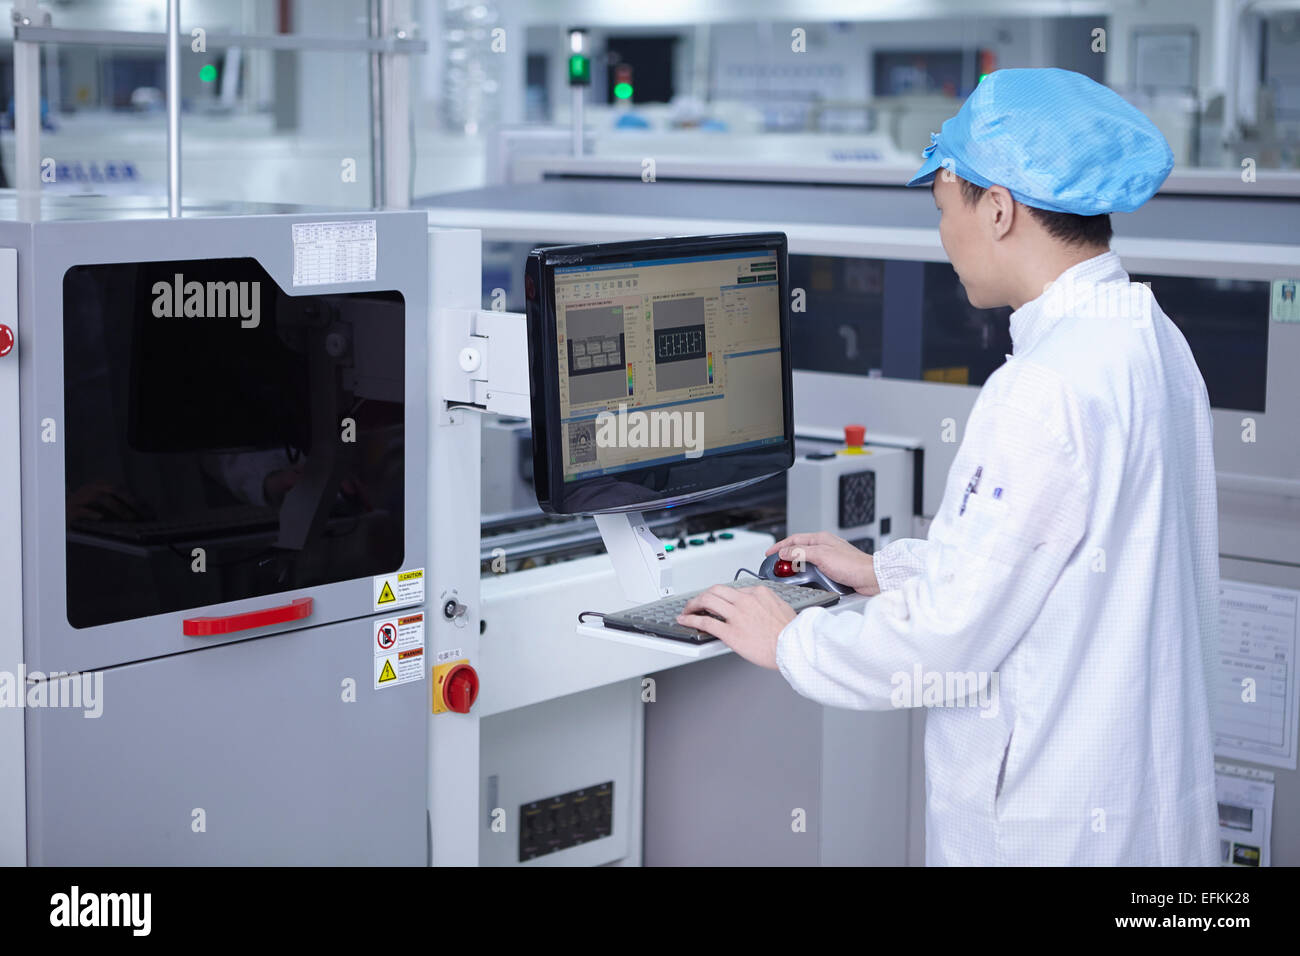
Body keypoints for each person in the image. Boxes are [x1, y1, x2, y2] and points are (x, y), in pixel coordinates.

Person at [677, 68, 1220, 866]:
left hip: (1051, 831)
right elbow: (1047, 567)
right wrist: (884, 570)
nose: (944, 237)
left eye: (944, 208)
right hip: (1148, 824)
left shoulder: (1040, 389)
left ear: (996, 208)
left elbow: (941, 647)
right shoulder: (1150, 339)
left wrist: (790, 638)